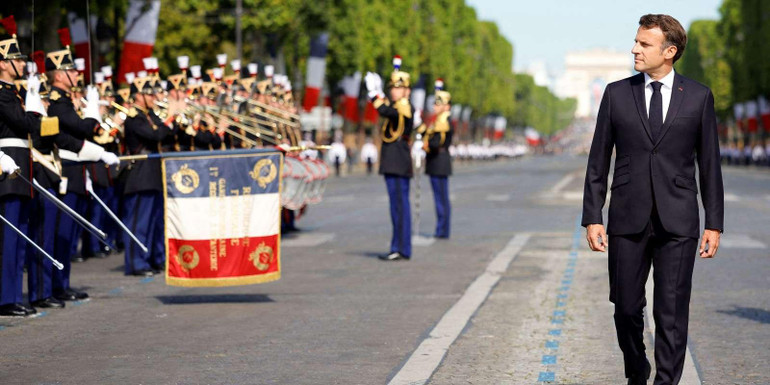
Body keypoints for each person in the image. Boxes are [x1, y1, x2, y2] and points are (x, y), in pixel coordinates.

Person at [581, 14, 724, 385]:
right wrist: (593, 217)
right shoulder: (616, 94)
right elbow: (598, 161)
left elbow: (710, 165)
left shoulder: (699, 97)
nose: (635, 49)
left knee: (671, 313)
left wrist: (714, 223)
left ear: (669, 51)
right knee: (625, 307)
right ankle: (637, 369)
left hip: (679, 219)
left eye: (644, 44)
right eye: (636, 41)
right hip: (627, 217)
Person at [365, 56, 414, 261]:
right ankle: (400, 247)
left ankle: (400, 248)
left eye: (398, 88)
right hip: (395, 161)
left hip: (397, 162)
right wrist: (379, 94)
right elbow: (388, 110)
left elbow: (387, 111)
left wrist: (374, 94)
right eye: (392, 87)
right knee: (397, 207)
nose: (394, 91)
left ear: (406, 91)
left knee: (399, 207)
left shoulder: (404, 107)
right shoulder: (398, 106)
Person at [421, 80, 453, 239]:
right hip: (438, 161)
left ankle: (442, 229)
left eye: (438, 104)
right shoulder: (439, 121)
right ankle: (442, 228)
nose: (435, 106)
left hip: (439, 161)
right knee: (440, 197)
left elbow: (435, 142)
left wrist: (425, 144)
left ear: (446, 106)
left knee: (441, 198)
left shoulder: (443, 121)